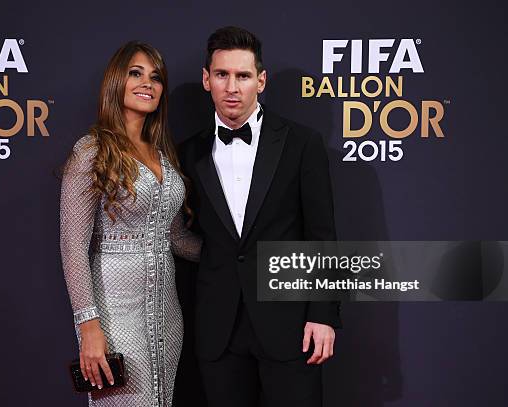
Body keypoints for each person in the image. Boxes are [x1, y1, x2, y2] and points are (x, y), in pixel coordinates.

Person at [178, 26, 341, 406]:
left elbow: (322, 235)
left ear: (261, 81)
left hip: (291, 326)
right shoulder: (186, 153)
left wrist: (323, 313)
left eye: (243, 76)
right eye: (222, 75)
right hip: (218, 330)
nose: (232, 87)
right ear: (207, 79)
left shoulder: (302, 143)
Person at [59, 41, 201, 407]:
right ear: (116, 81)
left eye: (156, 77)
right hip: (113, 313)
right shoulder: (91, 150)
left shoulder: (164, 154)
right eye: (136, 73)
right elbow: (73, 245)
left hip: (167, 315)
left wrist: (229, 251)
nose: (147, 83)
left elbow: (176, 237)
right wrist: (88, 328)